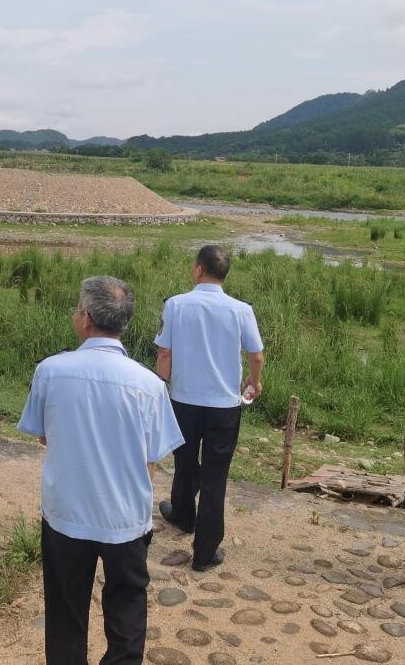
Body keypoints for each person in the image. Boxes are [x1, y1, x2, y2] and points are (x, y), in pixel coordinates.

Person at [18, 276, 183, 665]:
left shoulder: (51, 371)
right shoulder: (149, 385)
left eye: (78, 309)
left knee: (65, 610)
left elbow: (44, 436)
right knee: (127, 610)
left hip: (66, 513)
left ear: (87, 319)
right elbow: (152, 458)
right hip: (125, 517)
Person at [155, 245, 264, 572]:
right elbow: (256, 355)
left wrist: (160, 387)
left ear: (199, 269)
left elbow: (164, 354)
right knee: (215, 476)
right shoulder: (241, 310)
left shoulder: (175, 305)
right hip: (224, 406)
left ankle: (183, 515)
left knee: (184, 461)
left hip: (184, 401)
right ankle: (205, 552)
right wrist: (254, 381)